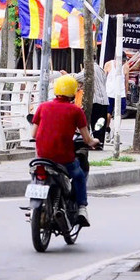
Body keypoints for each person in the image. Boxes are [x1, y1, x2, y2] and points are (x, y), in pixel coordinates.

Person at [33, 73, 101, 226]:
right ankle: (82, 208)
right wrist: (95, 141)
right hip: (64, 158)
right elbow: (87, 140)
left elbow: (33, 134)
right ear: (73, 92)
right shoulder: (76, 111)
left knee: (36, 174)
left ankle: (34, 208)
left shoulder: (43, 107)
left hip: (41, 156)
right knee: (79, 176)